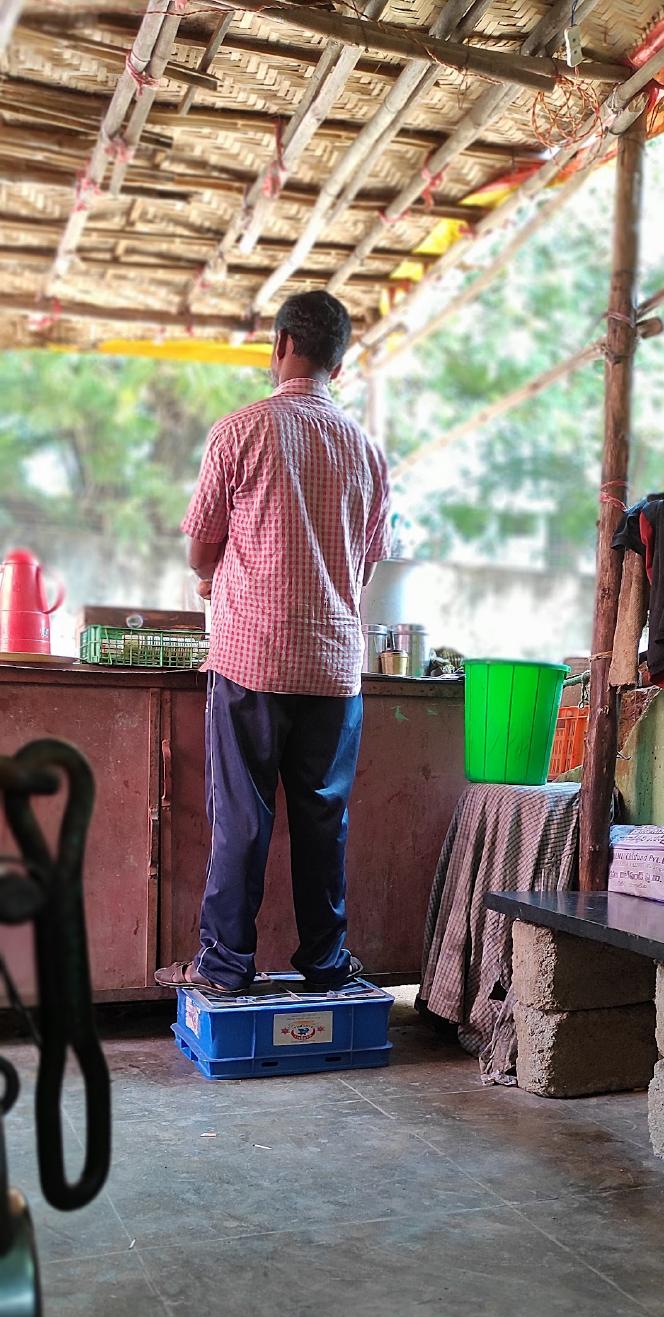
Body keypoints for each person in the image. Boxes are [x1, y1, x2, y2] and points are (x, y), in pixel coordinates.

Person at [155, 290, 390, 995]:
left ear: (284, 341)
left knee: (243, 823)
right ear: (338, 364)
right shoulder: (368, 452)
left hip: (252, 658)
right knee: (324, 824)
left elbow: (201, 548)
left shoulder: (241, 431)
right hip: (334, 667)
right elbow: (366, 564)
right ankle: (324, 964)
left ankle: (226, 966)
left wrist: (210, 579)